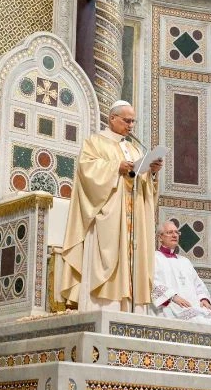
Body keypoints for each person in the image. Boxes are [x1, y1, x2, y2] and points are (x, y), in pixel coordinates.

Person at [58, 100, 162, 312]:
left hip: (133, 216)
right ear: (112, 118)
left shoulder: (133, 148)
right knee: (108, 256)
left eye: (133, 121)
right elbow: (86, 172)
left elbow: (141, 183)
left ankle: (130, 308)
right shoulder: (95, 142)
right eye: (126, 120)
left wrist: (151, 171)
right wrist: (116, 167)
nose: (131, 125)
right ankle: (106, 307)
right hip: (108, 215)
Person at [151, 221, 211, 326]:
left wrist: (203, 298)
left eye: (177, 232)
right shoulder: (154, 257)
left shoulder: (185, 261)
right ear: (160, 237)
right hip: (171, 304)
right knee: (197, 323)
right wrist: (172, 296)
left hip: (193, 304)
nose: (174, 235)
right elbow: (151, 281)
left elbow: (197, 283)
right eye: (170, 232)